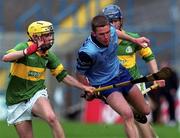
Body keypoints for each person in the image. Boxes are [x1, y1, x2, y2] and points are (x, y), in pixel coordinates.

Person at [2, 20, 95, 138]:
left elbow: (63, 76)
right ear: (35, 37)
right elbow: (6, 58)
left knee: (52, 118)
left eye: (51, 34)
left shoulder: (48, 55)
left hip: (36, 93)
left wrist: (84, 87)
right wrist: (27, 52)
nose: (50, 38)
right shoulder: (24, 47)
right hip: (16, 99)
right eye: (46, 35)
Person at [76, 15, 153, 138]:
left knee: (145, 111)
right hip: (106, 84)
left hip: (122, 75)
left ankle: (132, 110)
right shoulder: (87, 52)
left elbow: (116, 32)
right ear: (93, 33)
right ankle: (129, 111)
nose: (107, 37)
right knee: (127, 115)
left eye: (107, 32)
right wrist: (87, 88)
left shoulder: (111, 31)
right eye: (102, 34)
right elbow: (79, 74)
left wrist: (135, 40)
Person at [102, 4, 165, 138]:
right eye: (109, 22)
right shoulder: (100, 44)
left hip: (134, 83)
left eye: (115, 21)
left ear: (121, 21)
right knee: (132, 117)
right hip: (116, 85)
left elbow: (149, 56)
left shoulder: (132, 38)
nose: (113, 25)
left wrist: (156, 75)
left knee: (137, 118)